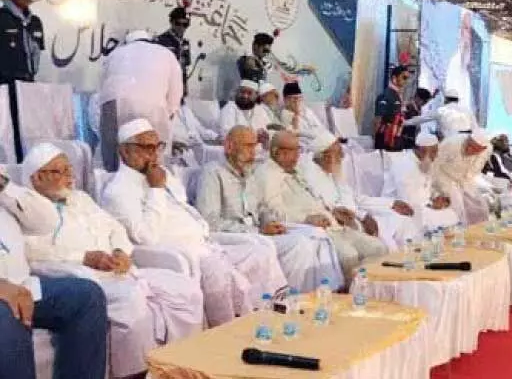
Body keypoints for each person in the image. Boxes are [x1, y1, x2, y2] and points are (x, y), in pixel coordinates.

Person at [21, 144, 203, 378]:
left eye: (69, 169)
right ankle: (134, 374)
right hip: (84, 278)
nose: (69, 177)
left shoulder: (80, 198)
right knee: (131, 300)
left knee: (185, 289)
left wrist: (120, 251)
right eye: (60, 171)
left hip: (119, 270)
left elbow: (114, 227)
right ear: (37, 177)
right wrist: (84, 258)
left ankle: (181, 366)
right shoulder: (26, 210)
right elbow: (33, 252)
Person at [101, 119, 286, 327]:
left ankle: (269, 318)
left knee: (261, 251)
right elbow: (146, 237)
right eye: (146, 147)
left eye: (157, 147)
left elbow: (186, 209)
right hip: (179, 253)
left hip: (206, 243)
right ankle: (228, 330)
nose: (153, 154)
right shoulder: (118, 191)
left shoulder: (162, 174)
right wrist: (156, 190)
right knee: (215, 268)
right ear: (125, 151)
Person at [195, 126, 339, 292]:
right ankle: (289, 298)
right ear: (229, 147)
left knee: (313, 236)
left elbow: (261, 208)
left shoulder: (249, 172)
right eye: (247, 146)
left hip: (258, 232)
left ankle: (322, 293)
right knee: (298, 245)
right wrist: (257, 230)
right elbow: (210, 221)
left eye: (254, 146)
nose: (253, 152)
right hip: (236, 237)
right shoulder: (213, 173)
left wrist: (270, 222)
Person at [0, 168, 108, 379]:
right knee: (10, 312)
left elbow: (47, 222)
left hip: (22, 284)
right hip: (4, 296)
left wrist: (5, 186)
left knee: (87, 296)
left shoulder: (5, 192)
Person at [256, 131, 387, 279]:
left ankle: (374, 291)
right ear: (277, 152)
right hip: (313, 230)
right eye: (293, 151)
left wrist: (334, 211)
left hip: (333, 224)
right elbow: (273, 212)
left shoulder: (298, 170)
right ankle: (352, 292)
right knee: (349, 256)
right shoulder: (267, 175)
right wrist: (305, 219)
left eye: (298, 149)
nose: (298, 155)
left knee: (378, 248)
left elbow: (318, 199)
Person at [302, 129, 419, 250]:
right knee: (384, 239)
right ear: (326, 157)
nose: (343, 156)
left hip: (358, 216)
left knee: (401, 221)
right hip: (344, 225)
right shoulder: (314, 179)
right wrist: (363, 217)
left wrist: (392, 203)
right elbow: (336, 208)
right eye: (339, 153)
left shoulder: (334, 173)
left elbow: (356, 198)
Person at [99, 30, 184, 172]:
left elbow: (102, 92)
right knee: (153, 159)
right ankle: (154, 181)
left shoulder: (114, 54)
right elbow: (175, 95)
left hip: (114, 108)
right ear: (150, 40)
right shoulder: (167, 54)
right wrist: (165, 115)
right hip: (154, 109)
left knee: (115, 162)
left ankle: (112, 177)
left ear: (127, 42)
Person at [0, 0, 45, 162]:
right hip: (4, 86)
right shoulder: (2, 18)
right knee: (7, 134)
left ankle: (27, 165)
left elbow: (37, 54)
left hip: (28, 87)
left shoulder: (35, 22)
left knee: (28, 132)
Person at [382, 132, 459, 231]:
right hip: (401, 208)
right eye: (434, 152)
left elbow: (427, 186)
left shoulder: (425, 161)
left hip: (423, 205)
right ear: (421, 150)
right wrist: (431, 204)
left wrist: (437, 197)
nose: (436, 156)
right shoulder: (404, 165)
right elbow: (407, 198)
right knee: (439, 221)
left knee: (451, 215)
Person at [431, 130, 494, 225]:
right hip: (445, 178)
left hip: (465, 180)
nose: (469, 149)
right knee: (457, 207)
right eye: (469, 145)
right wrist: (435, 191)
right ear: (467, 139)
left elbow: (475, 170)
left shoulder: (488, 150)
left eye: (475, 149)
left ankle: (478, 231)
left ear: (483, 149)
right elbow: (433, 166)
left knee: (481, 207)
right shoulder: (451, 143)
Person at [218, 80, 270, 149]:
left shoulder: (260, 110)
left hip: (259, 152)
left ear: (256, 95)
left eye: (249, 93)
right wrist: (254, 137)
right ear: (237, 93)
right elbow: (226, 135)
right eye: (242, 92)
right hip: (236, 151)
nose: (245, 96)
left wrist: (265, 137)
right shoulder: (229, 108)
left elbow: (268, 131)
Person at [154, 7, 192, 94]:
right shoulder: (161, 41)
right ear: (171, 22)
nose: (181, 28)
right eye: (178, 23)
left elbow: (184, 68)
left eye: (185, 24)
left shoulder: (185, 43)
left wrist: (184, 85)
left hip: (177, 90)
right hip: (163, 89)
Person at [373, 65, 411, 151]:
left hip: (395, 141)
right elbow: (378, 119)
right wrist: (377, 143)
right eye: (404, 77)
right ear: (394, 78)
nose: (406, 81)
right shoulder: (386, 95)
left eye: (407, 78)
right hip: (385, 142)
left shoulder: (398, 95)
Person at [280, 82, 326, 149]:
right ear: (285, 100)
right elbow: (293, 138)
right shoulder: (285, 115)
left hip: (321, 143)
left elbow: (322, 129)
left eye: (300, 98)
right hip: (306, 149)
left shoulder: (307, 111)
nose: (297, 101)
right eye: (294, 98)